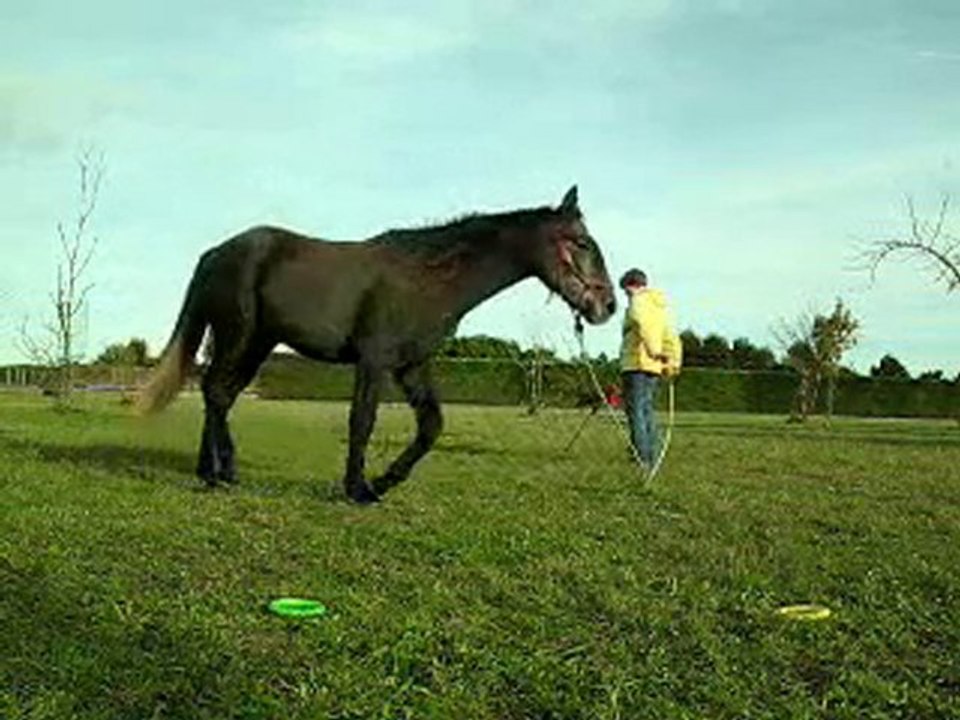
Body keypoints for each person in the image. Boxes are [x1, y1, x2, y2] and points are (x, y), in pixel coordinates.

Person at [618, 268, 681, 466]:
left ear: (632, 286)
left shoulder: (638, 302)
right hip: (654, 367)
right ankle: (650, 454)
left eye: (626, 292)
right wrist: (672, 362)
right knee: (646, 410)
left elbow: (641, 323)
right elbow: (670, 337)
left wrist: (653, 350)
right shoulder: (659, 308)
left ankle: (641, 457)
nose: (626, 297)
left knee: (635, 411)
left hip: (636, 363)